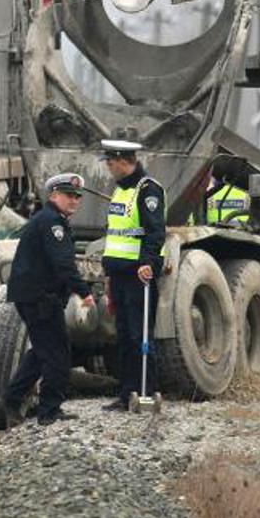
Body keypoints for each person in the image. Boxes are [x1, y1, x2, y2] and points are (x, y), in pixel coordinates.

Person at [2, 173, 97, 427]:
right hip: (40, 298)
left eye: (77, 197)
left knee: (42, 351)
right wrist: (84, 291)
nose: (74, 201)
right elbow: (63, 264)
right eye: (69, 195)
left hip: (35, 296)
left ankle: (11, 398)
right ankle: (48, 411)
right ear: (53, 195)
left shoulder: (50, 220)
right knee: (57, 354)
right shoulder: (52, 222)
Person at [100, 135, 166, 409]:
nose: (107, 168)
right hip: (118, 273)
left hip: (138, 275)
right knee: (124, 334)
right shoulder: (121, 190)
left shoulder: (147, 190)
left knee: (140, 335)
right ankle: (127, 392)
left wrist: (148, 263)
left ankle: (145, 390)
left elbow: (155, 231)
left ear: (122, 162)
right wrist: (107, 272)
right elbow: (115, 234)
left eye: (110, 163)